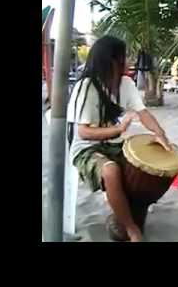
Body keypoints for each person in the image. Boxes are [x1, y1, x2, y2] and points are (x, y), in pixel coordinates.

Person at [67, 36, 171, 242]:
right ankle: (131, 228)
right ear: (112, 60)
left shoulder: (126, 83)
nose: (128, 60)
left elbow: (143, 113)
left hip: (115, 144)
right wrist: (119, 128)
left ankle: (132, 210)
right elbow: (84, 133)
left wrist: (161, 135)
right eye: (124, 56)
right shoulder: (86, 87)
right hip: (87, 148)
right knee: (111, 170)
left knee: (157, 165)